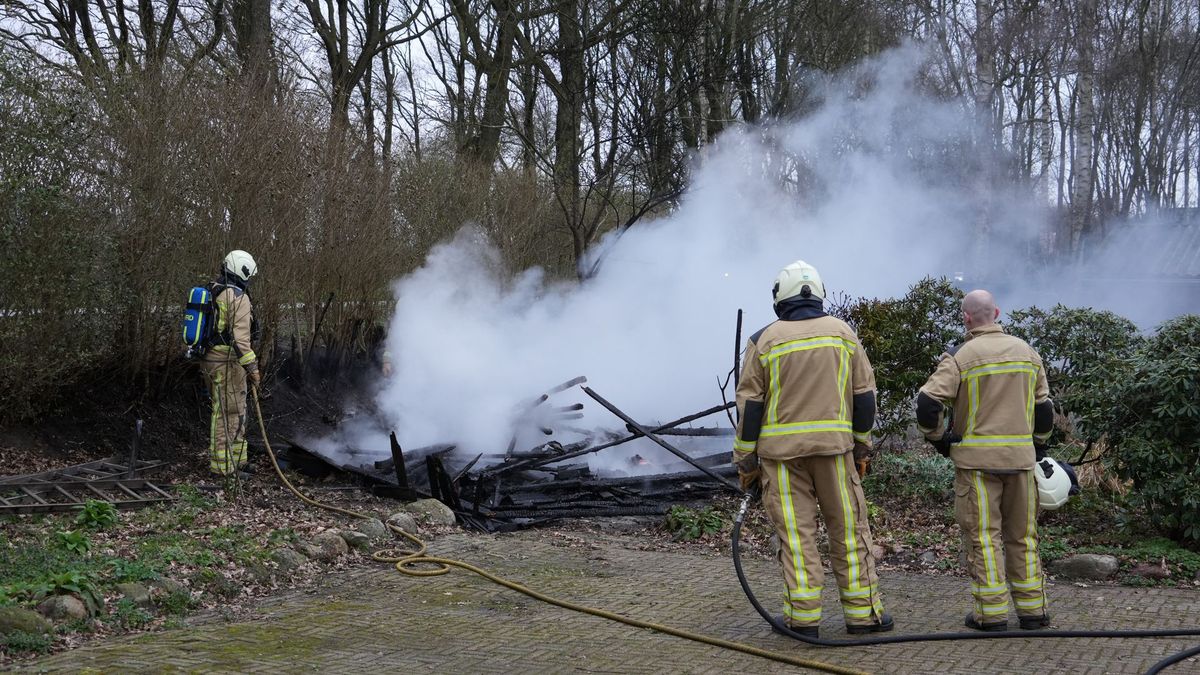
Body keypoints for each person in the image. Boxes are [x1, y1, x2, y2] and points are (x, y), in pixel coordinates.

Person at [733, 260, 892, 638]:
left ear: (779, 298)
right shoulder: (843, 333)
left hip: (781, 460)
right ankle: (864, 615)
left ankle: (804, 621)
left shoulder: (764, 340)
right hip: (836, 454)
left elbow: (750, 408)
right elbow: (865, 397)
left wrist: (746, 458)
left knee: (797, 537)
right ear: (818, 293)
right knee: (850, 532)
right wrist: (861, 446)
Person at [916, 289, 1053, 631]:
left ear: (966, 317)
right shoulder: (1027, 353)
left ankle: (991, 615)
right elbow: (1045, 410)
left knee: (983, 537)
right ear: (997, 312)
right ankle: (1033, 612)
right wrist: (1036, 446)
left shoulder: (961, 356)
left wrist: (941, 440)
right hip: (1021, 464)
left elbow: (927, 404)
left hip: (977, 466)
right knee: (1023, 536)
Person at [200, 250, 261, 477]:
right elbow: (242, 341)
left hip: (212, 360)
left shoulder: (214, 290)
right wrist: (253, 368)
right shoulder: (238, 297)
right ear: (242, 271)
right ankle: (223, 469)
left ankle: (238, 460)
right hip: (227, 363)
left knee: (235, 409)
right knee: (228, 412)